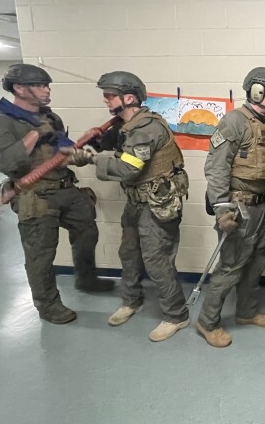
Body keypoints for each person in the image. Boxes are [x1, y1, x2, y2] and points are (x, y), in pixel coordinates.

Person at [0, 64, 114, 325]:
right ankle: (48, 305)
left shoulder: (50, 117)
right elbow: (9, 163)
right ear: (20, 88)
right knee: (40, 253)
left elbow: (61, 149)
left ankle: (86, 279)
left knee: (87, 231)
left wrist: (78, 156)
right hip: (34, 195)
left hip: (64, 187)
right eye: (41, 85)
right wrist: (34, 134)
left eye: (47, 85)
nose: (47, 90)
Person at [64, 71, 191, 342]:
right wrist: (97, 141)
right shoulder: (127, 125)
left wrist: (91, 160)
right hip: (136, 202)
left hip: (157, 205)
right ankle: (131, 301)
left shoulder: (146, 128)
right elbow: (116, 144)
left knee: (158, 262)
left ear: (129, 97)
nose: (105, 100)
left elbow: (128, 169)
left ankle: (176, 315)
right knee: (129, 254)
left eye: (110, 95)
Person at [195, 67, 265, 348]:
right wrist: (223, 210)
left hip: (261, 209)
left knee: (256, 262)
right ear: (257, 92)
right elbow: (216, 168)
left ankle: (246, 312)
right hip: (238, 209)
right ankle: (207, 321)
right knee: (230, 268)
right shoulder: (234, 122)